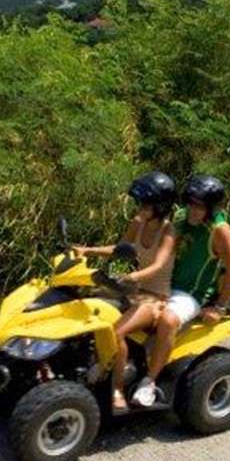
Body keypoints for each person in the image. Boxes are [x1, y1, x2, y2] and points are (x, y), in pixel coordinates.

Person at [75, 171, 178, 411]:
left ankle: (118, 390)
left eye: (145, 203)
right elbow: (120, 248)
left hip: (155, 299)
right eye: (139, 202)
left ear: (160, 206)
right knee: (85, 306)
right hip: (135, 291)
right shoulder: (138, 223)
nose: (140, 206)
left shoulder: (169, 231)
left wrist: (132, 276)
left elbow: (158, 265)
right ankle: (94, 364)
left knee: (116, 332)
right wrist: (87, 251)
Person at [145, 174, 230, 391]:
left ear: (211, 208)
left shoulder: (219, 230)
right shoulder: (180, 217)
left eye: (199, 207)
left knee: (168, 320)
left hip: (190, 294)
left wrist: (219, 307)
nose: (193, 210)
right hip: (163, 284)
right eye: (190, 203)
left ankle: (149, 382)